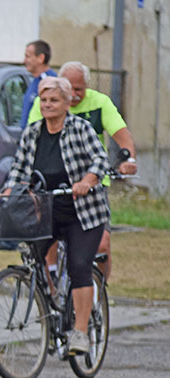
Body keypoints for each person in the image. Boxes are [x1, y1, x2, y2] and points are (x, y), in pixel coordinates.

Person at [0, 76, 109, 355]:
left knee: (79, 264)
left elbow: (100, 159)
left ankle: (81, 332)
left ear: (67, 102)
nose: (47, 105)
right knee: (33, 255)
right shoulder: (33, 132)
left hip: (83, 212)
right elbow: (19, 168)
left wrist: (88, 180)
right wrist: (8, 190)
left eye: (53, 100)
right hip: (47, 209)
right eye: (44, 100)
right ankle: (54, 301)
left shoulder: (80, 129)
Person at [28, 60, 138, 280]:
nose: (75, 94)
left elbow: (122, 135)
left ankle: (99, 291)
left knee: (102, 245)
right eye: (70, 88)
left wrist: (129, 159)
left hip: (90, 185)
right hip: (54, 184)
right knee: (47, 242)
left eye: (80, 89)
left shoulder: (99, 103)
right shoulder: (47, 103)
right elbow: (30, 142)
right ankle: (50, 298)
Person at [21, 40, 57, 128]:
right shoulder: (35, 81)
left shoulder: (51, 82)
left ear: (41, 58)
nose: (24, 61)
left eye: (28, 56)